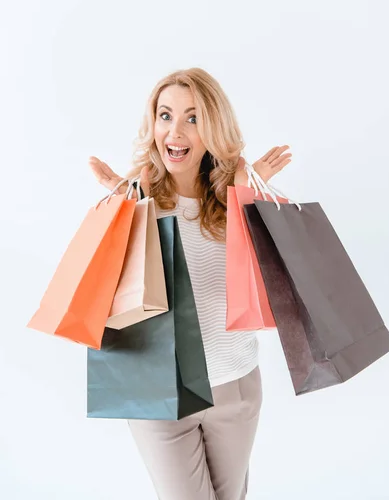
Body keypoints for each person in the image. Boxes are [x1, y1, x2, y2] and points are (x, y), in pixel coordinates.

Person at [89, 67, 291, 500]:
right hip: (156, 389)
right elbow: (103, 298)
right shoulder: (137, 198)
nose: (174, 131)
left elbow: (269, 292)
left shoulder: (234, 196)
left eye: (192, 118)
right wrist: (123, 211)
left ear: (213, 128)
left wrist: (245, 197)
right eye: (165, 115)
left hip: (234, 383)